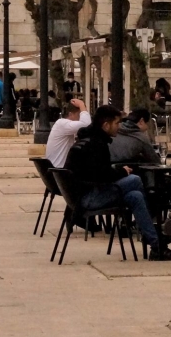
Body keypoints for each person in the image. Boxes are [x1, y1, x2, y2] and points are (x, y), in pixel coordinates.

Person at [64, 105, 171, 260]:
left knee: (135, 196)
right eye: (117, 123)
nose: (119, 127)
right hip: (86, 198)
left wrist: (117, 172)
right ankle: (153, 230)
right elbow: (102, 175)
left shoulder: (88, 139)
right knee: (135, 180)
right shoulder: (96, 144)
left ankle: (155, 245)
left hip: (81, 196)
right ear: (106, 125)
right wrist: (121, 172)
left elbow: (98, 173)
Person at [45, 99, 91, 169]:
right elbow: (86, 125)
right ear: (70, 114)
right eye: (79, 115)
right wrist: (81, 105)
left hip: (58, 169)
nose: (81, 118)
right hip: (59, 170)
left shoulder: (63, 125)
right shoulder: (62, 123)